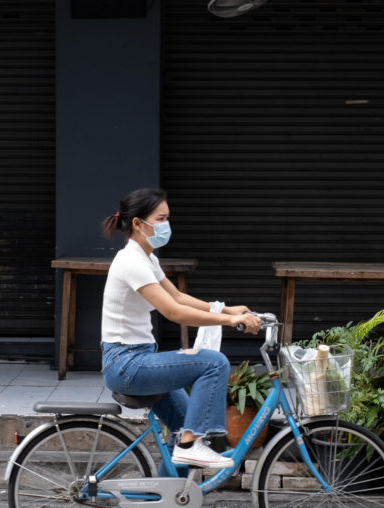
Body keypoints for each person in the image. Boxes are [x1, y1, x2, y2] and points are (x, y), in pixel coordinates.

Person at [100, 187, 262, 472]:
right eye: (160, 219)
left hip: (137, 358)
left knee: (185, 421)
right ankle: (191, 446)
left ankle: (166, 505)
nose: (166, 225)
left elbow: (177, 296)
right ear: (138, 223)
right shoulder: (131, 262)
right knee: (214, 363)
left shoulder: (146, 258)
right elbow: (173, 311)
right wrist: (228, 322)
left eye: (167, 218)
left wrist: (224, 309)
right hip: (126, 363)